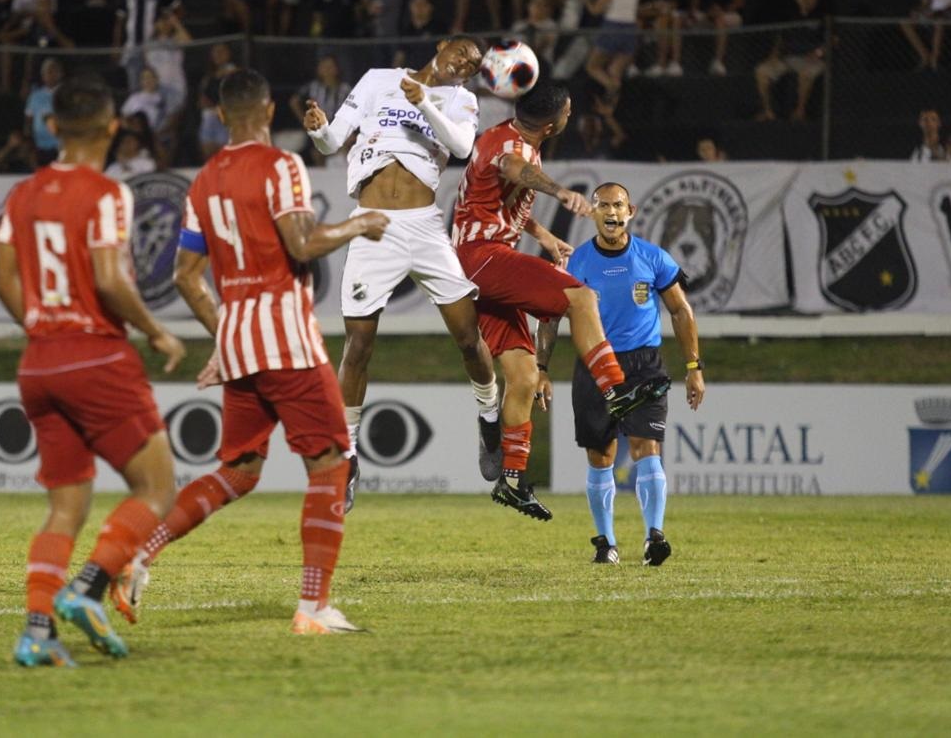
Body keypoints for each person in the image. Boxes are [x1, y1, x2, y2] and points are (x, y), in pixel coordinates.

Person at [112, 68, 390, 634]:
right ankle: (314, 608)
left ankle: (139, 555)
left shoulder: (204, 180)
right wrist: (360, 223)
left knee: (238, 470)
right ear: (268, 113)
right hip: (286, 336)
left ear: (219, 116)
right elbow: (304, 242)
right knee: (331, 465)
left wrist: (229, 333)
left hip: (238, 336)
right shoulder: (282, 165)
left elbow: (187, 276)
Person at [0, 73, 186, 667]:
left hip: (39, 363)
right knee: (156, 489)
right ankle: (88, 587)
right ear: (112, 127)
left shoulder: (21, 194)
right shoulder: (107, 193)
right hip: (96, 355)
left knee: (65, 507)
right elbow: (108, 277)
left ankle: (35, 632)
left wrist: (43, 325)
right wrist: (155, 331)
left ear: (51, 127)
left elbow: (2, 277)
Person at [302, 36, 502, 511]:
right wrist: (318, 130)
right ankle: (347, 456)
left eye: (473, 65)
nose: (464, 64)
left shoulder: (460, 100)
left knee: (468, 337)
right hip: (373, 227)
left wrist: (425, 104)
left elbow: (460, 145)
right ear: (441, 46)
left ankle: (489, 412)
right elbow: (333, 142)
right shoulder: (378, 81)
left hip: (425, 227)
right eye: (461, 53)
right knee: (357, 346)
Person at [453, 81, 670, 519]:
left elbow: (504, 196)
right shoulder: (516, 148)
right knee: (581, 296)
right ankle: (616, 390)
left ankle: (512, 481)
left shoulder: (500, 134)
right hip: (484, 257)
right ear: (553, 125)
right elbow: (517, 170)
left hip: (478, 265)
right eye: (570, 112)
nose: (571, 116)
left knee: (524, 376)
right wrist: (559, 192)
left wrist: (544, 235)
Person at [536, 181, 704, 566]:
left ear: (631, 212)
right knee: (601, 455)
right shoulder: (575, 263)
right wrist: (541, 368)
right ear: (592, 212)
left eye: (618, 206)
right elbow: (549, 317)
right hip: (595, 365)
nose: (611, 213)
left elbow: (681, 311)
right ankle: (606, 543)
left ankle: (654, 537)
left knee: (648, 449)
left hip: (644, 364)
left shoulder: (653, 258)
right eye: (603, 206)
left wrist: (694, 367)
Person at [754, 0, 826, 123]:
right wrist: (773, 57)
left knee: (805, 75)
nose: (809, 0)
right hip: (788, 59)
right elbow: (780, 39)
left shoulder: (822, 17)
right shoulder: (789, 16)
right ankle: (768, 111)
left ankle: (800, 111)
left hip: (813, 60)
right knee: (761, 71)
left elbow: (831, 41)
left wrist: (818, 53)